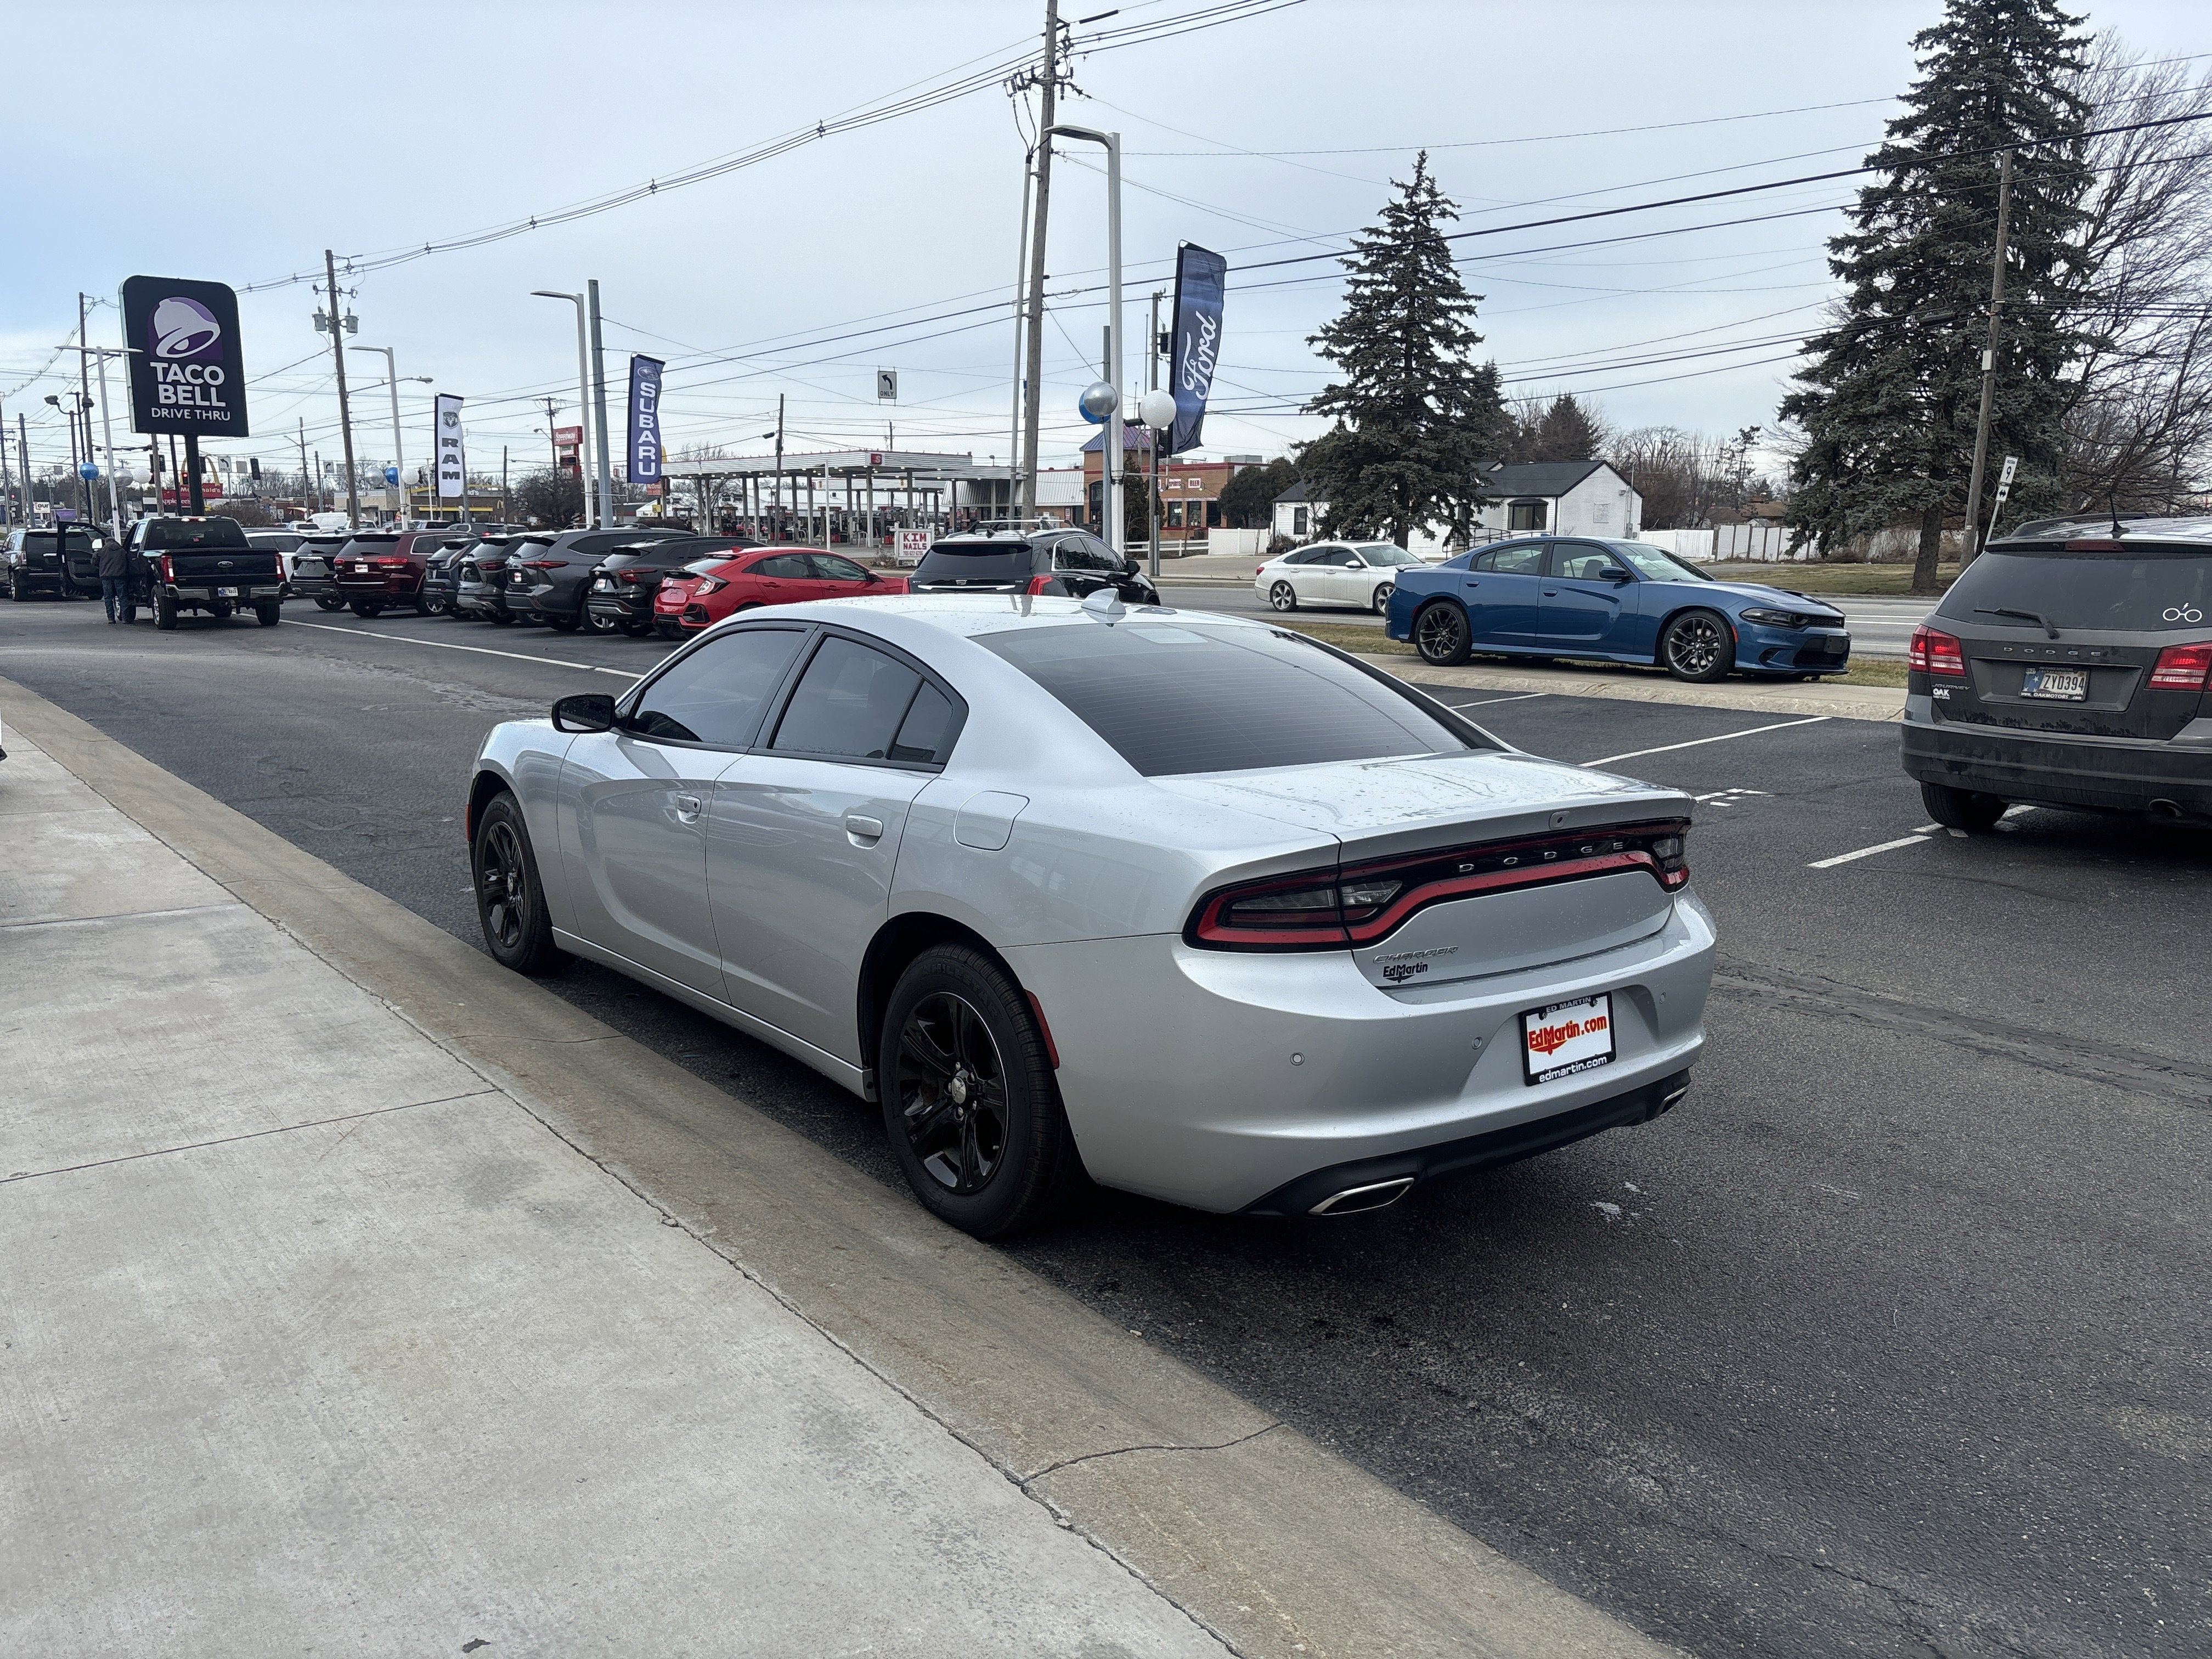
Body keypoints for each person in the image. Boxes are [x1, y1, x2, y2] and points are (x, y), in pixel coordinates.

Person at [96, 532, 132, 624]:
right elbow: (129, 562)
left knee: (108, 598)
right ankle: (125, 618)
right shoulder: (122, 550)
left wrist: (101, 567)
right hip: (120, 576)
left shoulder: (102, 551)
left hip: (106, 577)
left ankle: (111, 619)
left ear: (106, 542)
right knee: (123, 597)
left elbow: (94, 560)